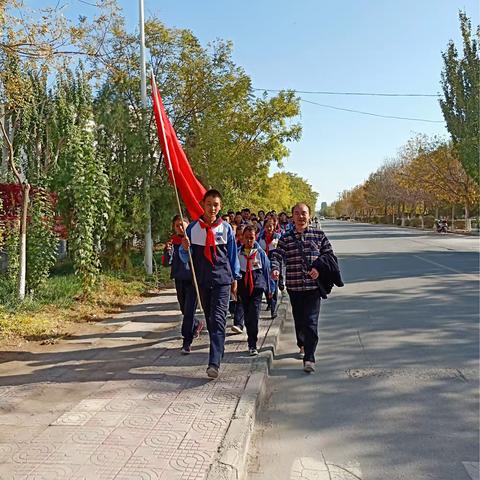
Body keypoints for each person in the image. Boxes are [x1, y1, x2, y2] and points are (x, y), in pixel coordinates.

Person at [271, 202, 343, 373]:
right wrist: (275, 269)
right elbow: (277, 256)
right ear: (292, 217)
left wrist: (318, 268)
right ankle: (301, 342)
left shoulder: (318, 235)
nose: (300, 216)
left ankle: (309, 357)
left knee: (311, 321)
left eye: (303, 213)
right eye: (297, 213)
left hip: (312, 288)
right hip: (294, 287)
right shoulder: (286, 238)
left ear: (309, 215)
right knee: (300, 320)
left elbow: (329, 255)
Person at [180, 189, 241, 379]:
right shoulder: (192, 229)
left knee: (218, 319)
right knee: (211, 319)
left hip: (222, 280)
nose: (212, 208)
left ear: (220, 206)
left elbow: (232, 256)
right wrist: (184, 248)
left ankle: (214, 362)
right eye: (209, 204)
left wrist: (235, 278)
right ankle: (219, 348)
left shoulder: (226, 229)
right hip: (202, 281)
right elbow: (184, 256)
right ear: (203, 204)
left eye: (216, 205)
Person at [162, 215, 204, 354]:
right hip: (179, 279)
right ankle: (197, 324)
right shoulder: (172, 243)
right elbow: (166, 262)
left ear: (188, 225)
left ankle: (187, 341)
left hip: (192, 280)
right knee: (184, 309)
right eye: (177, 225)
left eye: (182, 224)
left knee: (189, 311)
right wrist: (167, 251)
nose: (180, 227)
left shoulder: (194, 241)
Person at [237, 225, 271, 355]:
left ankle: (253, 344)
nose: (249, 241)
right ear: (242, 238)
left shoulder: (260, 253)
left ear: (255, 237)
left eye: (251, 238)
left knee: (254, 314)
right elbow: (234, 272)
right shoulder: (238, 253)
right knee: (247, 315)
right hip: (243, 286)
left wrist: (269, 289)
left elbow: (267, 271)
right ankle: (249, 335)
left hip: (257, 286)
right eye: (246, 238)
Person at [257, 216, 281, 319]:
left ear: (274, 226)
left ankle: (273, 310)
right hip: (263, 264)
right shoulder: (260, 238)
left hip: (274, 263)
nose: (269, 228)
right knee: (265, 285)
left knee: (273, 286)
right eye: (267, 226)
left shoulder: (278, 237)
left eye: (271, 226)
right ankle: (269, 301)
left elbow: (281, 253)